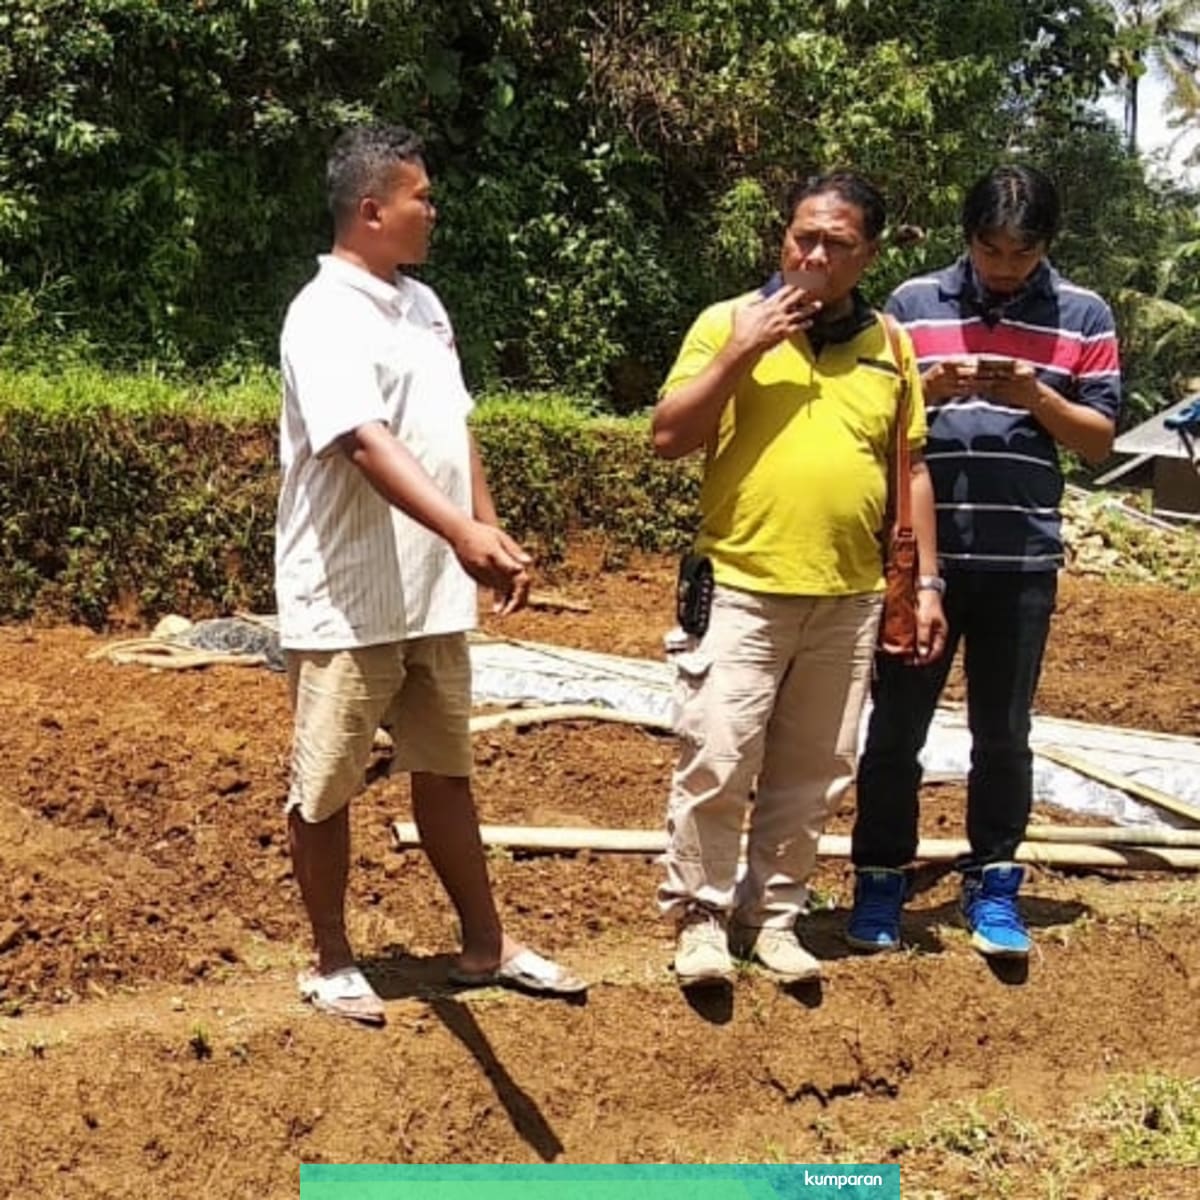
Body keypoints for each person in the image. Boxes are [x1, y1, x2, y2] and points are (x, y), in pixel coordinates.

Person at [276, 123, 585, 1025]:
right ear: (372, 211)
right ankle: (332, 959)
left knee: (445, 770)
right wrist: (459, 530)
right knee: (326, 782)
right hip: (346, 595)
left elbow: (454, 425)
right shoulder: (321, 314)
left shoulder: (425, 305)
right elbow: (364, 445)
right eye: (421, 196)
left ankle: (485, 942)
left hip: (432, 590)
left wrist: (484, 529)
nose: (432, 210)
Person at [652, 172, 947, 987]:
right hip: (742, 583)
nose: (813, 254)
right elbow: (669, 435)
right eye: (801, 237)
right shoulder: (725, 323)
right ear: (783, 239)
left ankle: (773, 915)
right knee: (718, 755)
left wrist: (924, 585)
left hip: (848, 598)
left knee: (815, 767)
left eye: (837, 243)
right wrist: (747, 348)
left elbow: (909, 468)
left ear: (869, 255)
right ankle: (703, 919)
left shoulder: (891, 346)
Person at [847, 165, 1121, 959]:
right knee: (896, 727)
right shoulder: (912, 304)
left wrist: (1035, 395)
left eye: (1020, 251)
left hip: (1020, 556)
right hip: (916, 557)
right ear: (965, 238)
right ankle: (880, 878)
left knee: (1004, 730)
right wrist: (928, 387)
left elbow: (1098, 440)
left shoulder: (1083, 315)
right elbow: (877, 422)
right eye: (990, 248)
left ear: (1046, 246)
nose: (1003, 266)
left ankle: (994, 879)